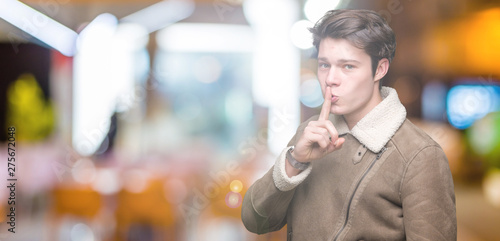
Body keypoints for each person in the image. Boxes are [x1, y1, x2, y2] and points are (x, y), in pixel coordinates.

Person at [241, 9, 456, 240]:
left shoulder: (420, 155)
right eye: (324, 65)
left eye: (348, 67)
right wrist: (295, 160)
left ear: (380, 69)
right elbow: (256, 221)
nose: (330, 79)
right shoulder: (311, 132)